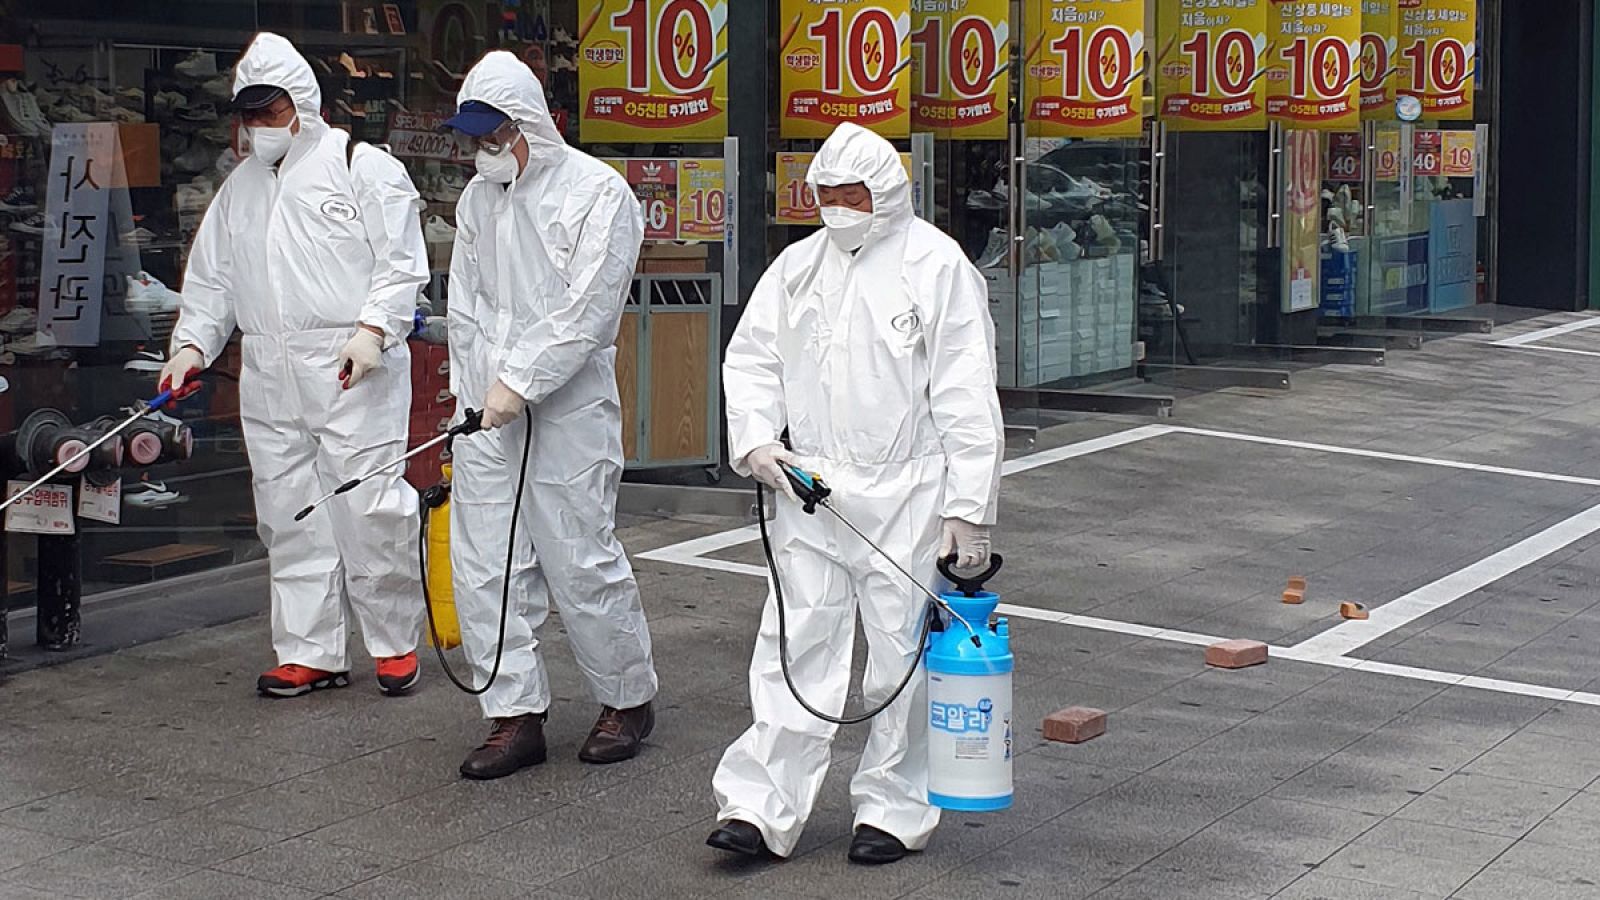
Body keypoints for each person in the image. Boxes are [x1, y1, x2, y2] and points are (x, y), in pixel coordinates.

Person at [707, 122, 1005, 865]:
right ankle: (760, 805)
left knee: (900, 654)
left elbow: (967, 392)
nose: (838, 206)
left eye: (853, 193)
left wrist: (968, 507)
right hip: (809, 485)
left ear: (888, 193)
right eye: (826, 194)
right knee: (793, 640)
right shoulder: (798, 267)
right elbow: (752, 360)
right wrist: (755, 442)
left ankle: (894, 809)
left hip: (906, 490)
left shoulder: (937, 267)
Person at [158, 32, 429, 699]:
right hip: (268, 369)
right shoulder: (239, 189)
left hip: (349, 364)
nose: (260, 125)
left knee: (369, 505)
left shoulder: (361, 166)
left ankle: (393, 642)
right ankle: (310, 650)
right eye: (250, 113)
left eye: (271, 110)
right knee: (287, 511)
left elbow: (400, 263)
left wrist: (373, 331)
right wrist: (191, 345)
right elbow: (212, 281)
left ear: (302, 103)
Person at [438, 52, 658, 780]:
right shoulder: (478, 200)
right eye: (475, 139)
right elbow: (465, 307)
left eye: (494, 135)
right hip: (485, 412)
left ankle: (626, 697)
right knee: (483, 562)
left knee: (578, 554)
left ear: (528, 123)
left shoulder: (599, 194)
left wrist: (521, 381)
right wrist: (474, 393)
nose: (484, 152)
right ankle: (513, 714)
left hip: (566, 409)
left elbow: (588, 311)